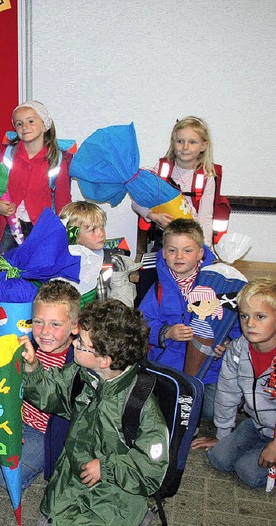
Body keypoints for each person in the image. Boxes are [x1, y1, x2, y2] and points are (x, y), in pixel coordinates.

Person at [23, 299, 168, 526]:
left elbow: (152, 470)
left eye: (80, 342)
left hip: (113, 501)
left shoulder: (139, 405)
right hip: (71, 485)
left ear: (104, 360)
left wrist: (108, 467)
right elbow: (52, 394)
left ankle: (140, 517)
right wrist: (32, 369)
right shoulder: (83, 375)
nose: (73, 345)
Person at [0, 280, 79, 489]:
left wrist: (34, 366)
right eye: (37, 321)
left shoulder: (76, 361)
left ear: (75, 326)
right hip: (11, 418)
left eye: (55, 324)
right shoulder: (26, 342)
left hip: (43, 433)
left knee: (5, 479)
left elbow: (57, 400)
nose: (45, 331)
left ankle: (38, 460)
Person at [138, 218, 237, 421]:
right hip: (168, 363)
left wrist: (229, 346)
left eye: (187, 250)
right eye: (172, 250)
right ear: (163, 253)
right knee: (160, 406)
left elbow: (236, 322)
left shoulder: (218, 284)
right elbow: (142, 323)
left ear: (200, 253)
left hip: (209, 368)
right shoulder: (159, 288)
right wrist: (166, 332)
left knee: (210, 412)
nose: (179, 256)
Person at [192, 278, 276, 488]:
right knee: (219, 457)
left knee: (248, 472)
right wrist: (223, 435)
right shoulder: (238, 349)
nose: (250, 324)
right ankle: (261, 441)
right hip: (258, 424)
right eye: (244, 316)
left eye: (260, 316)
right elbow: (227, 393)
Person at [0, 100, 71, 253]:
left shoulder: (56, 160)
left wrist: (65, 232)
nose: (25, 127)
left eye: (31, 121)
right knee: (6, 269)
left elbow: (63, 200)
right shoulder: (8, 155)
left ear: (45, 124)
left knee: (39, 271)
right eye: (19, 124)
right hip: (9, 224)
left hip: (41, 228)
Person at [133, 116, 218, 249]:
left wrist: (205, 249)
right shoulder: (161, 170)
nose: (185, 147)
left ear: (203, 146)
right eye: (180, 141)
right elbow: (136, 203)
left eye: (192, 142)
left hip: (192, 240)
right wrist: (154, 216)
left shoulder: (207, 176)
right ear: (173, 142)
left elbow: (205, 217)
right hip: (164, 238)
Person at [59, 201, 108, 304]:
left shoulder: (111, 260)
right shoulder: (61, 264)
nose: (101, 234)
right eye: (92, 230)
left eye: (102, 227)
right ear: (74, 234)